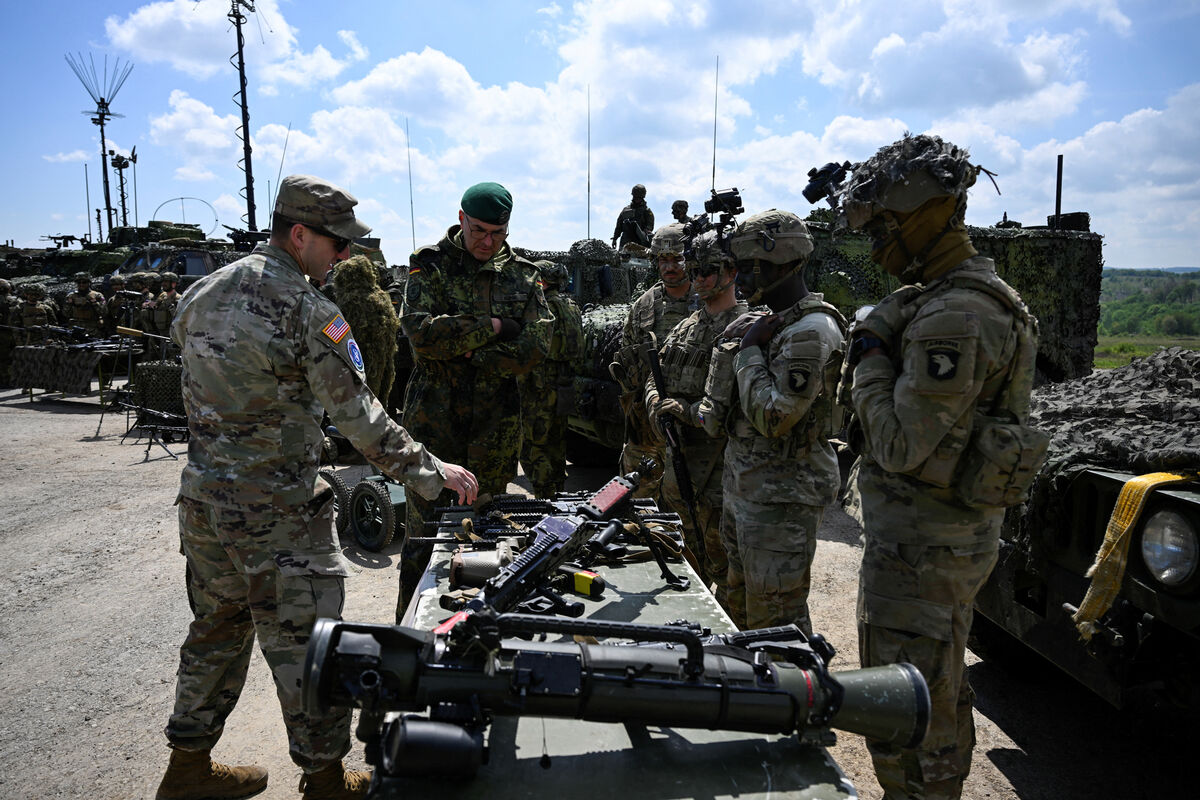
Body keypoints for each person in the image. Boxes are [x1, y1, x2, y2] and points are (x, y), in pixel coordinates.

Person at [157, 174, 478, 800]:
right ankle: (326, 780)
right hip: (276, 513)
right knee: (309, 647)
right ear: (299, 235)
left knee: (216, 630)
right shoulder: (309, 311)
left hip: (204, 506)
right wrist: (431, 473)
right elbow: (362, 420)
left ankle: (188, 767)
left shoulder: (201, 293)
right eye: (337, 244)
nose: (347, 256)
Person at [837, 134, 1038, 800]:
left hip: (923, 550)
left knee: (909, 715)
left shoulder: (954, 312)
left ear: (924, 214)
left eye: (885, 227)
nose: (878, 244)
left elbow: (896, 445)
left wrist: (868, 351)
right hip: (936, 541)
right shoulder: (949, 296)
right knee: (938, 689)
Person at [398, 181, 551, 617]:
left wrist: (468, 350)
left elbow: (538, 346)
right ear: (461, 219)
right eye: (479, 230)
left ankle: (476, 634)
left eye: (497, 233)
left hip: (495, 429)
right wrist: (499, 327)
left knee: (486, 537)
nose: (488, 242)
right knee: (424, 540)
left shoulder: (522, 273)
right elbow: (422, 336)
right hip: (434, 424)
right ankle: (409, 635)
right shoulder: (428, 265)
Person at [700, 210, 846, 633]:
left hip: (782, 499)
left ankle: (795, 695)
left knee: (776, 618)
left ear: (781, 262)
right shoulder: (772, 322)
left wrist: (747, 352)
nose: (738, 277)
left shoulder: (811, 331)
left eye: (747, 267)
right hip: (749, 489)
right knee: (737, 604)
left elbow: (773, 417)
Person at [643, 230, 747, 602]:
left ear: (732, 272)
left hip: (720, 479)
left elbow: (736, 411)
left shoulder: (747, 328)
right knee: (685, 569)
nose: (700, 278)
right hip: (678, 471)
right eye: (697, 269)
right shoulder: (687, 326)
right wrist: (657, 405)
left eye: (710, 270)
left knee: (732, 578)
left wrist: (685, 412)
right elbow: (654, 380)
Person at [609, 223, 695, 499]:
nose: (669, 267)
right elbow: (627, 354)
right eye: (663, 260)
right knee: (636, 501)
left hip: (693, 426)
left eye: (677, 259)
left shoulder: (708, 301)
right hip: (646, 426)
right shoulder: (645, 305)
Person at [518, 260, 585, 496]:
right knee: (557, 443)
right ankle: (557, 492)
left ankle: (545, 494)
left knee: (533, 446)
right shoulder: (572, 306)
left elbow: (530, 348)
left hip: (539, 386)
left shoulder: (540, 308)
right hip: (564, 383)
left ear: (542, 281)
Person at [332, 254, 399, 403]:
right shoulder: (383, 299)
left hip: (355, 364)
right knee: (379, 402)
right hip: (383, 359)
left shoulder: (348, 301)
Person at [611, 184, 655, 250]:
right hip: (625, 242)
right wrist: (615, 238)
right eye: (635, 197)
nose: (637, 199)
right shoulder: (626, 210)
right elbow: (619, 226)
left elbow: (650, 226)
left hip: (639, 243)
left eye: (639, 197)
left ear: (642, 197)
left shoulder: (647, 211)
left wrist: (646, 231)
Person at [64, 272, 106, 336]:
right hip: (76, 329)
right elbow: (65, 314)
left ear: (89, 283)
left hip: (92, 330)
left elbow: (104, 312)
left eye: (84, 282)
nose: (81, 284)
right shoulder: (71, 296)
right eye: (79, 282)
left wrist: (94, 303)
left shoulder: (97, 295)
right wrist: (70, 304)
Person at [143, 271, 180, 337]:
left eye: (166, 282)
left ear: (173, 284)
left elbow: (179, 318)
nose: (163, 284)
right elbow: (154, 306)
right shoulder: (162, 296)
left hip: (171, 334)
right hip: (159, 333)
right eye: (162, 282)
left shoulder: (178, 298)